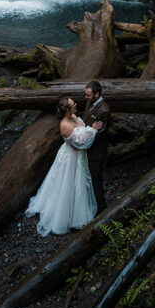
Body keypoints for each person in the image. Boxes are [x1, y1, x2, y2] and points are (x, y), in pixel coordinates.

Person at [25, 97, 102, 236]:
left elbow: (80, 132)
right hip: (71, 157)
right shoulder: (65, 125)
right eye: (73, 104)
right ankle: (65, 216)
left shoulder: (72, 116)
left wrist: (87, 129)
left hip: (77, 155)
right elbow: (80, 143)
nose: (76, 105)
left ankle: (75, 209)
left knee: (77, 182)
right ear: (67, 109)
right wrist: (93, 130)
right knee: (68, 182)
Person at [83, 80, 111, 212]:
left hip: (97, 152)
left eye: (88, 95)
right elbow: (85, 121)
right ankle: (92, 203)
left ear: (97, 94)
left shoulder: (104, 110)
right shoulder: (90, 103)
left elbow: (100, 134)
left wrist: (83, 140)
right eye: (86, 94)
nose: (86, 97)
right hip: (88, 149)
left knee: (96, 179)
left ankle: (101, 206)